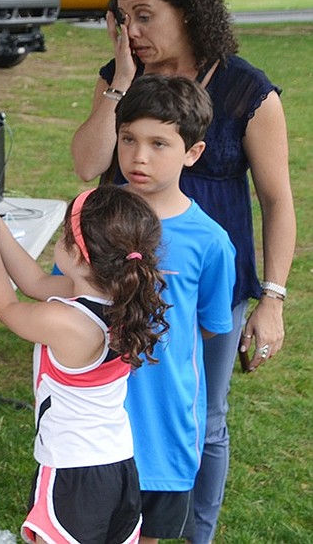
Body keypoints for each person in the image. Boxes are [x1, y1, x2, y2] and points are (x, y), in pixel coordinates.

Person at [70, 0, 295, 542]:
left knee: (206, 416)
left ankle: (195, 532)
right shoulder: (122, 79)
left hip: (208, 277)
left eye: (144, 16)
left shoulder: (248, 90)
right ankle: (120, 521)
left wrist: (272, 298)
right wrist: (120, 83)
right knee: (120, 402)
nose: (132, 32)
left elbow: (277, 201)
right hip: (122, 275)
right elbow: (86, 163)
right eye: (123, 19)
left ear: (188, 12)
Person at [0, 185, 169, 544]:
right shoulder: (117, 298)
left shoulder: (65, 320)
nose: (59, 242)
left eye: (66, 236)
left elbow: (6, 307)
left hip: (73, 472)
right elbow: (32, 281)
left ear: (80, 257)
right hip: (119, 466)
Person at [113, 75, 236, 543]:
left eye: (158, 143)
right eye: (129, 140)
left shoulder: (211, 242)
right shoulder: (94, 217)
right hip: (90, 419)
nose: (139, 156)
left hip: (164, 430)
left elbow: (207, 328)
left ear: (192, 152)